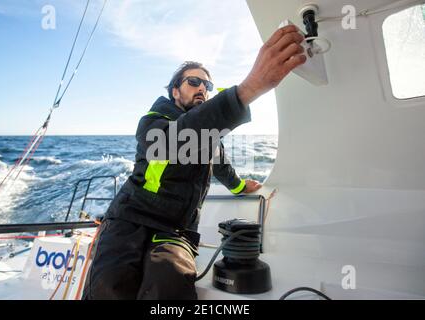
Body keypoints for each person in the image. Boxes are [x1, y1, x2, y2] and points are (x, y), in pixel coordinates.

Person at [82, 25, 306, 300]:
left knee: (168, 287)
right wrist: (247, 90)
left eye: (208, 85)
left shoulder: (209, 135)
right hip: (127, 219)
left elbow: (221, 165)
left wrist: (238, 187)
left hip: (176, 228)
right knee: (109, 287)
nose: (203, 88)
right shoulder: (154, 121)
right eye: (194, 82)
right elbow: (171, 142)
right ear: (175, 91)